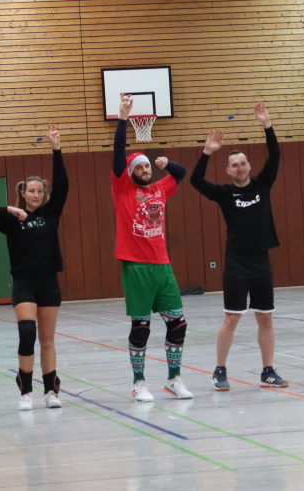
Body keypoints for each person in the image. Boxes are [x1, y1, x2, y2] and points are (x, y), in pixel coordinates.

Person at [192, 103, 288, 390]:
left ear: (249, 166)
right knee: (231, 318)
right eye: (234, 164)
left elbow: (275, 155)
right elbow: (196, 180)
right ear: (228, 170)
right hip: (236, 262)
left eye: (243, 163)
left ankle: (268, 370)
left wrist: (267, 125)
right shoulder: (224, 193)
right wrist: (207, 151)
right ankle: (220, 370)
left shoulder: (262, 185)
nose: (240, 167)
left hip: (261, 260)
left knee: (265, 318)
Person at [0, 127, 68, 411]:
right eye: (31, 191)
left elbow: (63, 184)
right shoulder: (13, 219)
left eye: (40, 191)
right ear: (23, 192)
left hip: (48, 281)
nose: (36, 195)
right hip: (24, 283)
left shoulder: (51, 213)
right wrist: (8, 209)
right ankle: (26, 391)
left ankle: (50, 391)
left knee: (47, 340)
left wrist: (56, 149)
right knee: (27, 334)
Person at [111, 96, 191, 403]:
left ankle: (174, 379)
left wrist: (167, 164)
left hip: (162, 266)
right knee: (141, 326)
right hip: (136, 266)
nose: (145, 169)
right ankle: (138, 383)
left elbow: (181, 172)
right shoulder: (123, 188)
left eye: (147, 165)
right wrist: (123, 118)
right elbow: (118, 155)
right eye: (140, 166)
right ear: (131, 171)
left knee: (178, 323)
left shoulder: (160, 188)